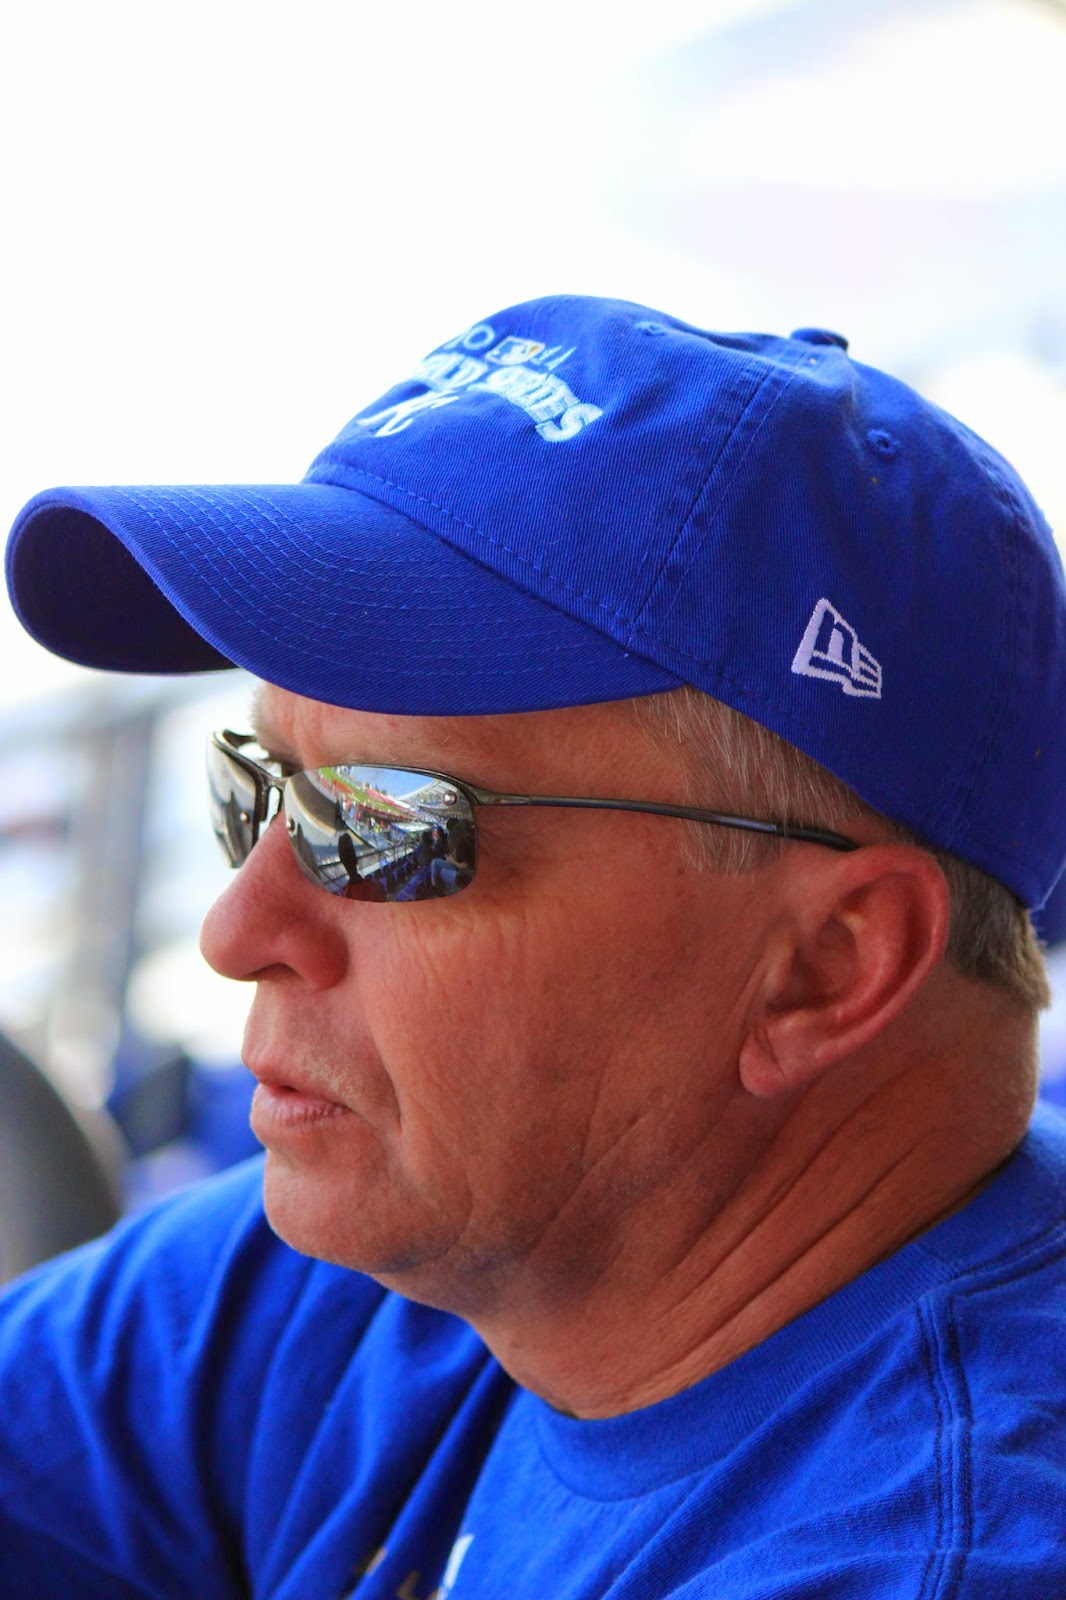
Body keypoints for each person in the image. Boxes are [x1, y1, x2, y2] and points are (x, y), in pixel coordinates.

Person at [2, 295, 1065, 1599]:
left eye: (385, 824)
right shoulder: (425, 1261)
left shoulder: (932, 1553)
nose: (237, 931)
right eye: (257, 786)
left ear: (825, 968)